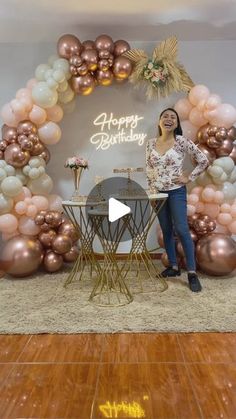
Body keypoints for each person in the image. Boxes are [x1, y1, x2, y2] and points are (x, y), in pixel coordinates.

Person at [146, 108, 209, 292]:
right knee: (166, 229)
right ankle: (173, 267)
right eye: (165, 116)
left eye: (173, 117)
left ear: (176, 124)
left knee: (181, 229)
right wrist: (151, 193)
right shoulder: (150, 144)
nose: (169, 119)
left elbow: (203, 160)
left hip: (176, 192)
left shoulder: (181, 141)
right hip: (158, 193)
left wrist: (188, 177)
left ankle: (191, 272)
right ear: (159, 121)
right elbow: (149, 170)